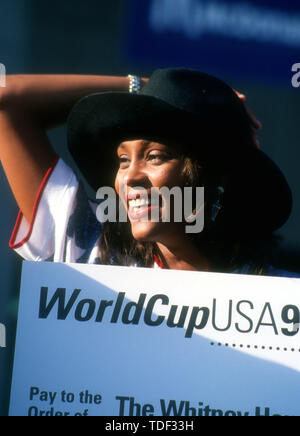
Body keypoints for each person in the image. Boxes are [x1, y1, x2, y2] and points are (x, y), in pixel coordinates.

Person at [0, 68, 298, 277]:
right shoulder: (88, 249)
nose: (129, 178)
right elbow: (5, 100)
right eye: (123, 160)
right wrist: (145, 89)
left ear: (215, 175)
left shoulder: (276, 303)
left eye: (154, 157)